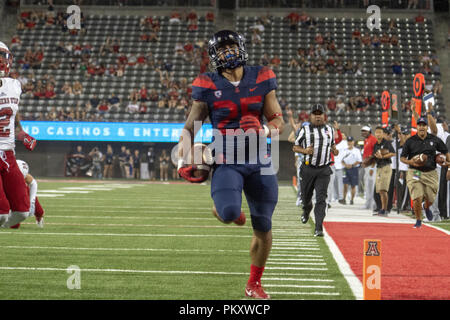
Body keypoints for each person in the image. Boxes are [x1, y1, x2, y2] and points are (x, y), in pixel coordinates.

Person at [177, 30, 284, 299]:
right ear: (214, 56)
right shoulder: (207, 83)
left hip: (261, 160)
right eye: (222, 49)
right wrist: (183, 157)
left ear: (242, 47)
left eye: (231, 46)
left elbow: (278, 122)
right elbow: (192, 125)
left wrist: (263, 131)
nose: (228, 52)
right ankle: (231, 212)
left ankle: (254, 283)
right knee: (227, 213)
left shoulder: (261, 76)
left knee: (263, 225)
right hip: (226, 159)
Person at [0, 41, 37, 229]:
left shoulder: (14, 85)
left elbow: (13, 111)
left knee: (21, 211)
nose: (1, 60)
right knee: (1, 213)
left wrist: (21, 131)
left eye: (3, 55)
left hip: (8, 153)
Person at [293, 104, 339, 237]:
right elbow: (295, 147)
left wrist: (335, 151)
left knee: (321, 199)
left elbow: (333, 145)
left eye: (320, 113)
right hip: (308, 169)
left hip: (324, 170)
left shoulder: (330, 130)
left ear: (324, 116)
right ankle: (306, 210)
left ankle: (319, 227)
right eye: (315, 113)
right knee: (306, 198)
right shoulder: (305, 129)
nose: (318, 116)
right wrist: (305, 151)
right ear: (311, 116)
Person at [400, 117, 450, 228]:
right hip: (415, 172)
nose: (421, 127)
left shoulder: (435, 139)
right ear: (417, 127)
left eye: (424, 125)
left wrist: (447, 163)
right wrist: (410, 161)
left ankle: (426, 206)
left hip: (431, 172)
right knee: (417, 196)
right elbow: (402, 158)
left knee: (431, 198)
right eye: (419, 125)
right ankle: (418, 220)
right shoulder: (410, 141)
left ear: (427, 127)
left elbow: (446, 151)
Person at [9, 160, 44, 228]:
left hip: (20, 189)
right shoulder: (5, 170)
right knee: (13, 225)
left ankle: (39, 217)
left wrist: (32, 202)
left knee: (39, 211)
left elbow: (33, 183)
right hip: (7, 188)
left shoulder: (23, 174)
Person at [372, 126, 396, 217]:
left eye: (380, 132)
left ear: (383, 134)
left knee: (383, 189)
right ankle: (381, 208)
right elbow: (375, 156)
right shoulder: (376, 144)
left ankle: (384, 210)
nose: (378, 134)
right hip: (379, 167)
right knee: (379, 190)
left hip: (386, 167)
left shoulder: (386, 143)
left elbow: (393, 153)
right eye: (376, 132)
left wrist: (383, 156)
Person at [341, 136, 362, 205]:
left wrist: (352, 165)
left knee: (353, 185)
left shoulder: (356, 150)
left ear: (353, 142)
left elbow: (359, 160)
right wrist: (345, 165)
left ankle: (352, 199)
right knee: (345, 185)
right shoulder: (344, 150)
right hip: (346, 169)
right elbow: (341, 160)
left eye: (351, 141)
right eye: (348, 141)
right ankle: (344, 199)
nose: (349, 143)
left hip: (354, 169)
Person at [361, 125, 377, 211]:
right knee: (367, 185)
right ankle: (368, 203)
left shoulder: (373, 139)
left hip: (372, 165)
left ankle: (373, 204)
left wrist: (372, 168)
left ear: (369, 131)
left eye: (365, 131)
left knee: (372, 185)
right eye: (362, 131)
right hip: (367, 165)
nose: (363, 132)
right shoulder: (366, 140)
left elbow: (375, 154)